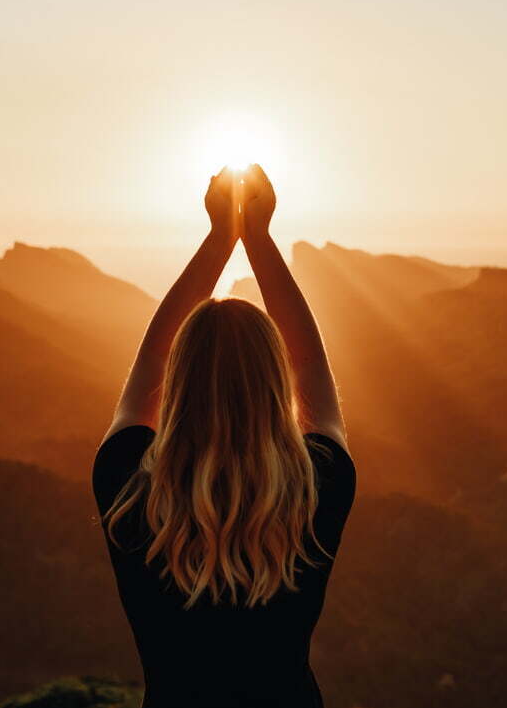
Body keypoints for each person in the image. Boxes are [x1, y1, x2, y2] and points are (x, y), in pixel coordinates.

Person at [93, 164, 357, 708]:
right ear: (272, 380)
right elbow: (311, 366)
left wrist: (218, 238)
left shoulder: (127, 485)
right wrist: (257, 240)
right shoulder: (315, 487)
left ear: (179, 382)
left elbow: (149, 362)